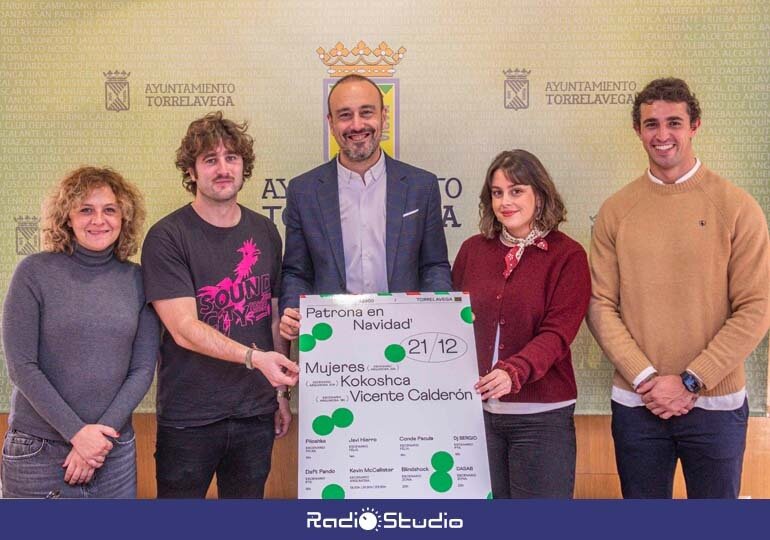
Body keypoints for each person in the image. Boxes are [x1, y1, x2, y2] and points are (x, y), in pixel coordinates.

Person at [587, 77, 770, 499]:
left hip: (716, 407)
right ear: (638, 131)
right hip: (639, 404)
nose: (663, 135)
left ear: (695, 126)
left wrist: (690, 381)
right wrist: (648, 379)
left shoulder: (737, 207)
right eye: (651, 124)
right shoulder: (616, 211)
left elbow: (755, 307)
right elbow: (600, 305)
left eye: (674, 122)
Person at [141, 111, 299, 499]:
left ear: (244, 166)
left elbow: (272, 312)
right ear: (192, 172)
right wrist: (255, 359)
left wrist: (279, 393)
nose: (223, 168)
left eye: (231, 158)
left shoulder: (264, 230)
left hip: (255, 413)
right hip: (190, 418)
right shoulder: (167, 237)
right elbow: (183, 329)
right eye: (210, 160)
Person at [1, 167, 158, 498]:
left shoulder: (138, 279)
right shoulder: (33, 273)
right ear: (66, 218)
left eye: (109, 210)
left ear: (124, 218)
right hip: (38, 453)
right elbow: (22, 366)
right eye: (86, 209)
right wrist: (77, 433)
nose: (98, 220)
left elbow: (142, 369)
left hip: (112, 451)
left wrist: (96, 442)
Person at [452, 150, 591, 499]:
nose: (505, 201)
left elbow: (558, 334)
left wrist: (513, 372)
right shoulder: (472, 250)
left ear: (540, 195)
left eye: (516, 191)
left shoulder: (567, 255)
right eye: (497, 193)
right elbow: (450, 324)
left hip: (541, 418)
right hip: (478, 417)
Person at [279, 74, 451, 339]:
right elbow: (296, 271)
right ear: (331, 123)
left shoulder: (421, 186)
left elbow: (434, 266)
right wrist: (291, 308)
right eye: (345, 115)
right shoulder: (303, 191)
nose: (357, 125)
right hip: (332, 339)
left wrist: (440, 312)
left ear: (383, 116)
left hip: (405, 333)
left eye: (366, 112)